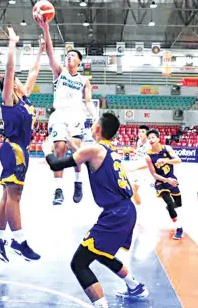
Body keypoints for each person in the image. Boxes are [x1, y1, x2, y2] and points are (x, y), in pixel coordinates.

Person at [42, 112, 149, 306]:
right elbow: (84, 152)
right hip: (126, 210)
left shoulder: (93, 150)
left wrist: (46, 149)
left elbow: (55, 164)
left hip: (115, 214)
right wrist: (68, 139)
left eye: (93, 125)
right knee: (101, 253)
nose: (91, 128)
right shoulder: (109, 150)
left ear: (98, 129)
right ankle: (135, 286)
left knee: (79, 263)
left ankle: (101, 305)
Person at [0, 29, 43, 263]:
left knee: (7, 195)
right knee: (15, 195)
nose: (19, 80)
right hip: (14, 150)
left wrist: (41, 48)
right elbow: (10, 70)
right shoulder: (9, 99)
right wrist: (12, 43)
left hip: (21, 150)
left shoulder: (26, 99)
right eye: (14, 80)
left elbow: (34, 71)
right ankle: (18, 241)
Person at [37, 18, 96, 205]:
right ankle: (58, 189)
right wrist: (46, 28)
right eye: (67, 55)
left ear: (79, 61)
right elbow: (50, 51)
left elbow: (88, 101)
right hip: (59, 114)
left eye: (72, 56)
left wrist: (95, 117)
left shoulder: (84, 80)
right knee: (59, 149)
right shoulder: (59, 72)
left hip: (77, 116)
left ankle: (78, 183)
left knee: (76, 151)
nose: (68, 57)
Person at [145, 130, 183, 240]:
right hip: (161, 182)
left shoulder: (167, 149)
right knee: (170, 203)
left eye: (152, 137)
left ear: (158, 138)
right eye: (149, 138)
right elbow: (154, 174)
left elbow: (178, 160)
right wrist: (166, 180)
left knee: (178, 204)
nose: (151, 140)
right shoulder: (148, 156)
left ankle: (170, 208)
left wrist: (166, 160)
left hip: (172, 180)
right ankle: (179, 228)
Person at [125, 125, 151, 206]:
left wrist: (136, 168)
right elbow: (140, 154)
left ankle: (139, 207)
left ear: (147, 134)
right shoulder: (139, 141)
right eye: (139, 132)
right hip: (137, 169)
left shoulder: (150, 145)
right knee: (133, 190)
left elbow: (150, 163)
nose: (140, 133)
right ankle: (138, 206)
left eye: (143, 132)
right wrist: (134, 151)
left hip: (144, 171)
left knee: (134, 190)